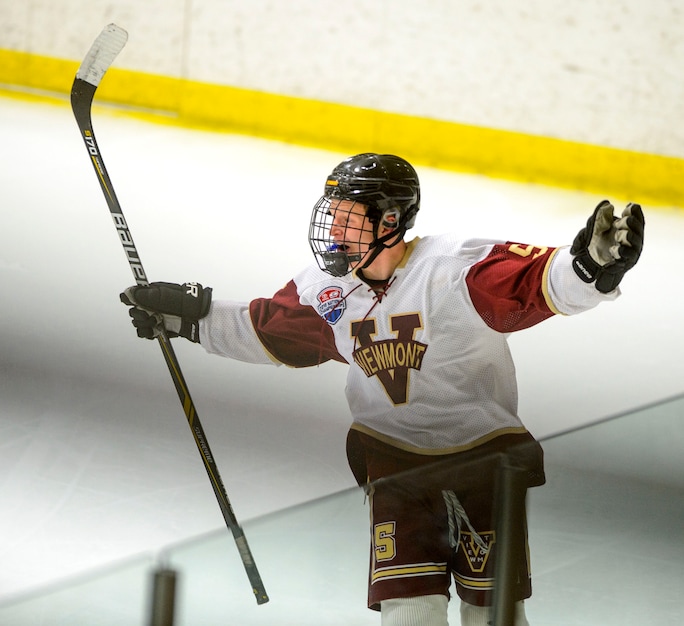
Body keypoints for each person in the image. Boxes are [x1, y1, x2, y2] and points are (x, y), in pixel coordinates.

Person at [120, 153, 644, 626]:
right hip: (396, 466)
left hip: (487, 464)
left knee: (493, 615)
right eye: (334, 214)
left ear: (390, 222)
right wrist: (190, 318)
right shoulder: (326, 291)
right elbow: (270, 330)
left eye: (351, 216)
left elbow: (537, 283)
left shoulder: (455, 269)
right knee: (408, 614)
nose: (336, 228)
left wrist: (590, 269)